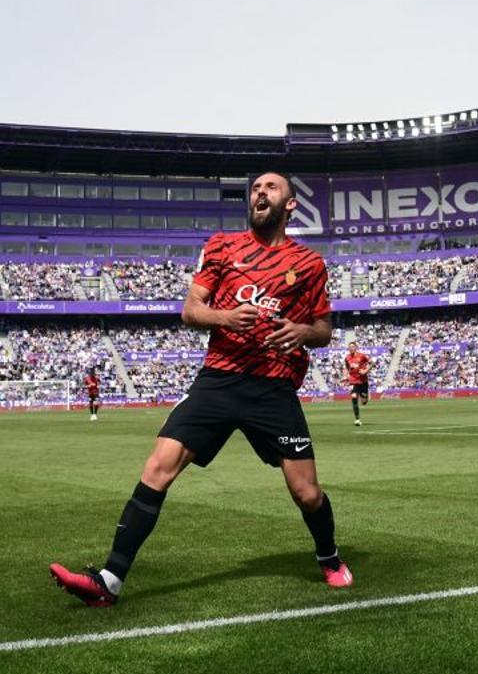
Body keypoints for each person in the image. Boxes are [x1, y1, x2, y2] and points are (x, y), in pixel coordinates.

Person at [50, 172, 351, 607]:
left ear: (290, 204)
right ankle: (108, 580)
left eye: (270, 188)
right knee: (158, 466)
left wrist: (301, 330)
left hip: (273, 387)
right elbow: (191, 311)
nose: (259, 193)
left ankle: (329, 556)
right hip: (218, 379)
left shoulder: (309, 264)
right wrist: (226, 318)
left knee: (306, 492)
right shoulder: (222, 246)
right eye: (255, 189)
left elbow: (324, 330)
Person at [343, 341, 371, 426]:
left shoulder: (362, 356)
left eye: (352, 346)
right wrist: (346, 376)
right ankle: (357, 419)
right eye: (349, 347)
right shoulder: (347, 357)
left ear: (356, 347)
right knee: (354, 397)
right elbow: (347, 367)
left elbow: (372, 363)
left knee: (364, 402)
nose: (351, 348)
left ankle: (365, 396)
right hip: (353, 381)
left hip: (363, 381)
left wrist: (366, 370)